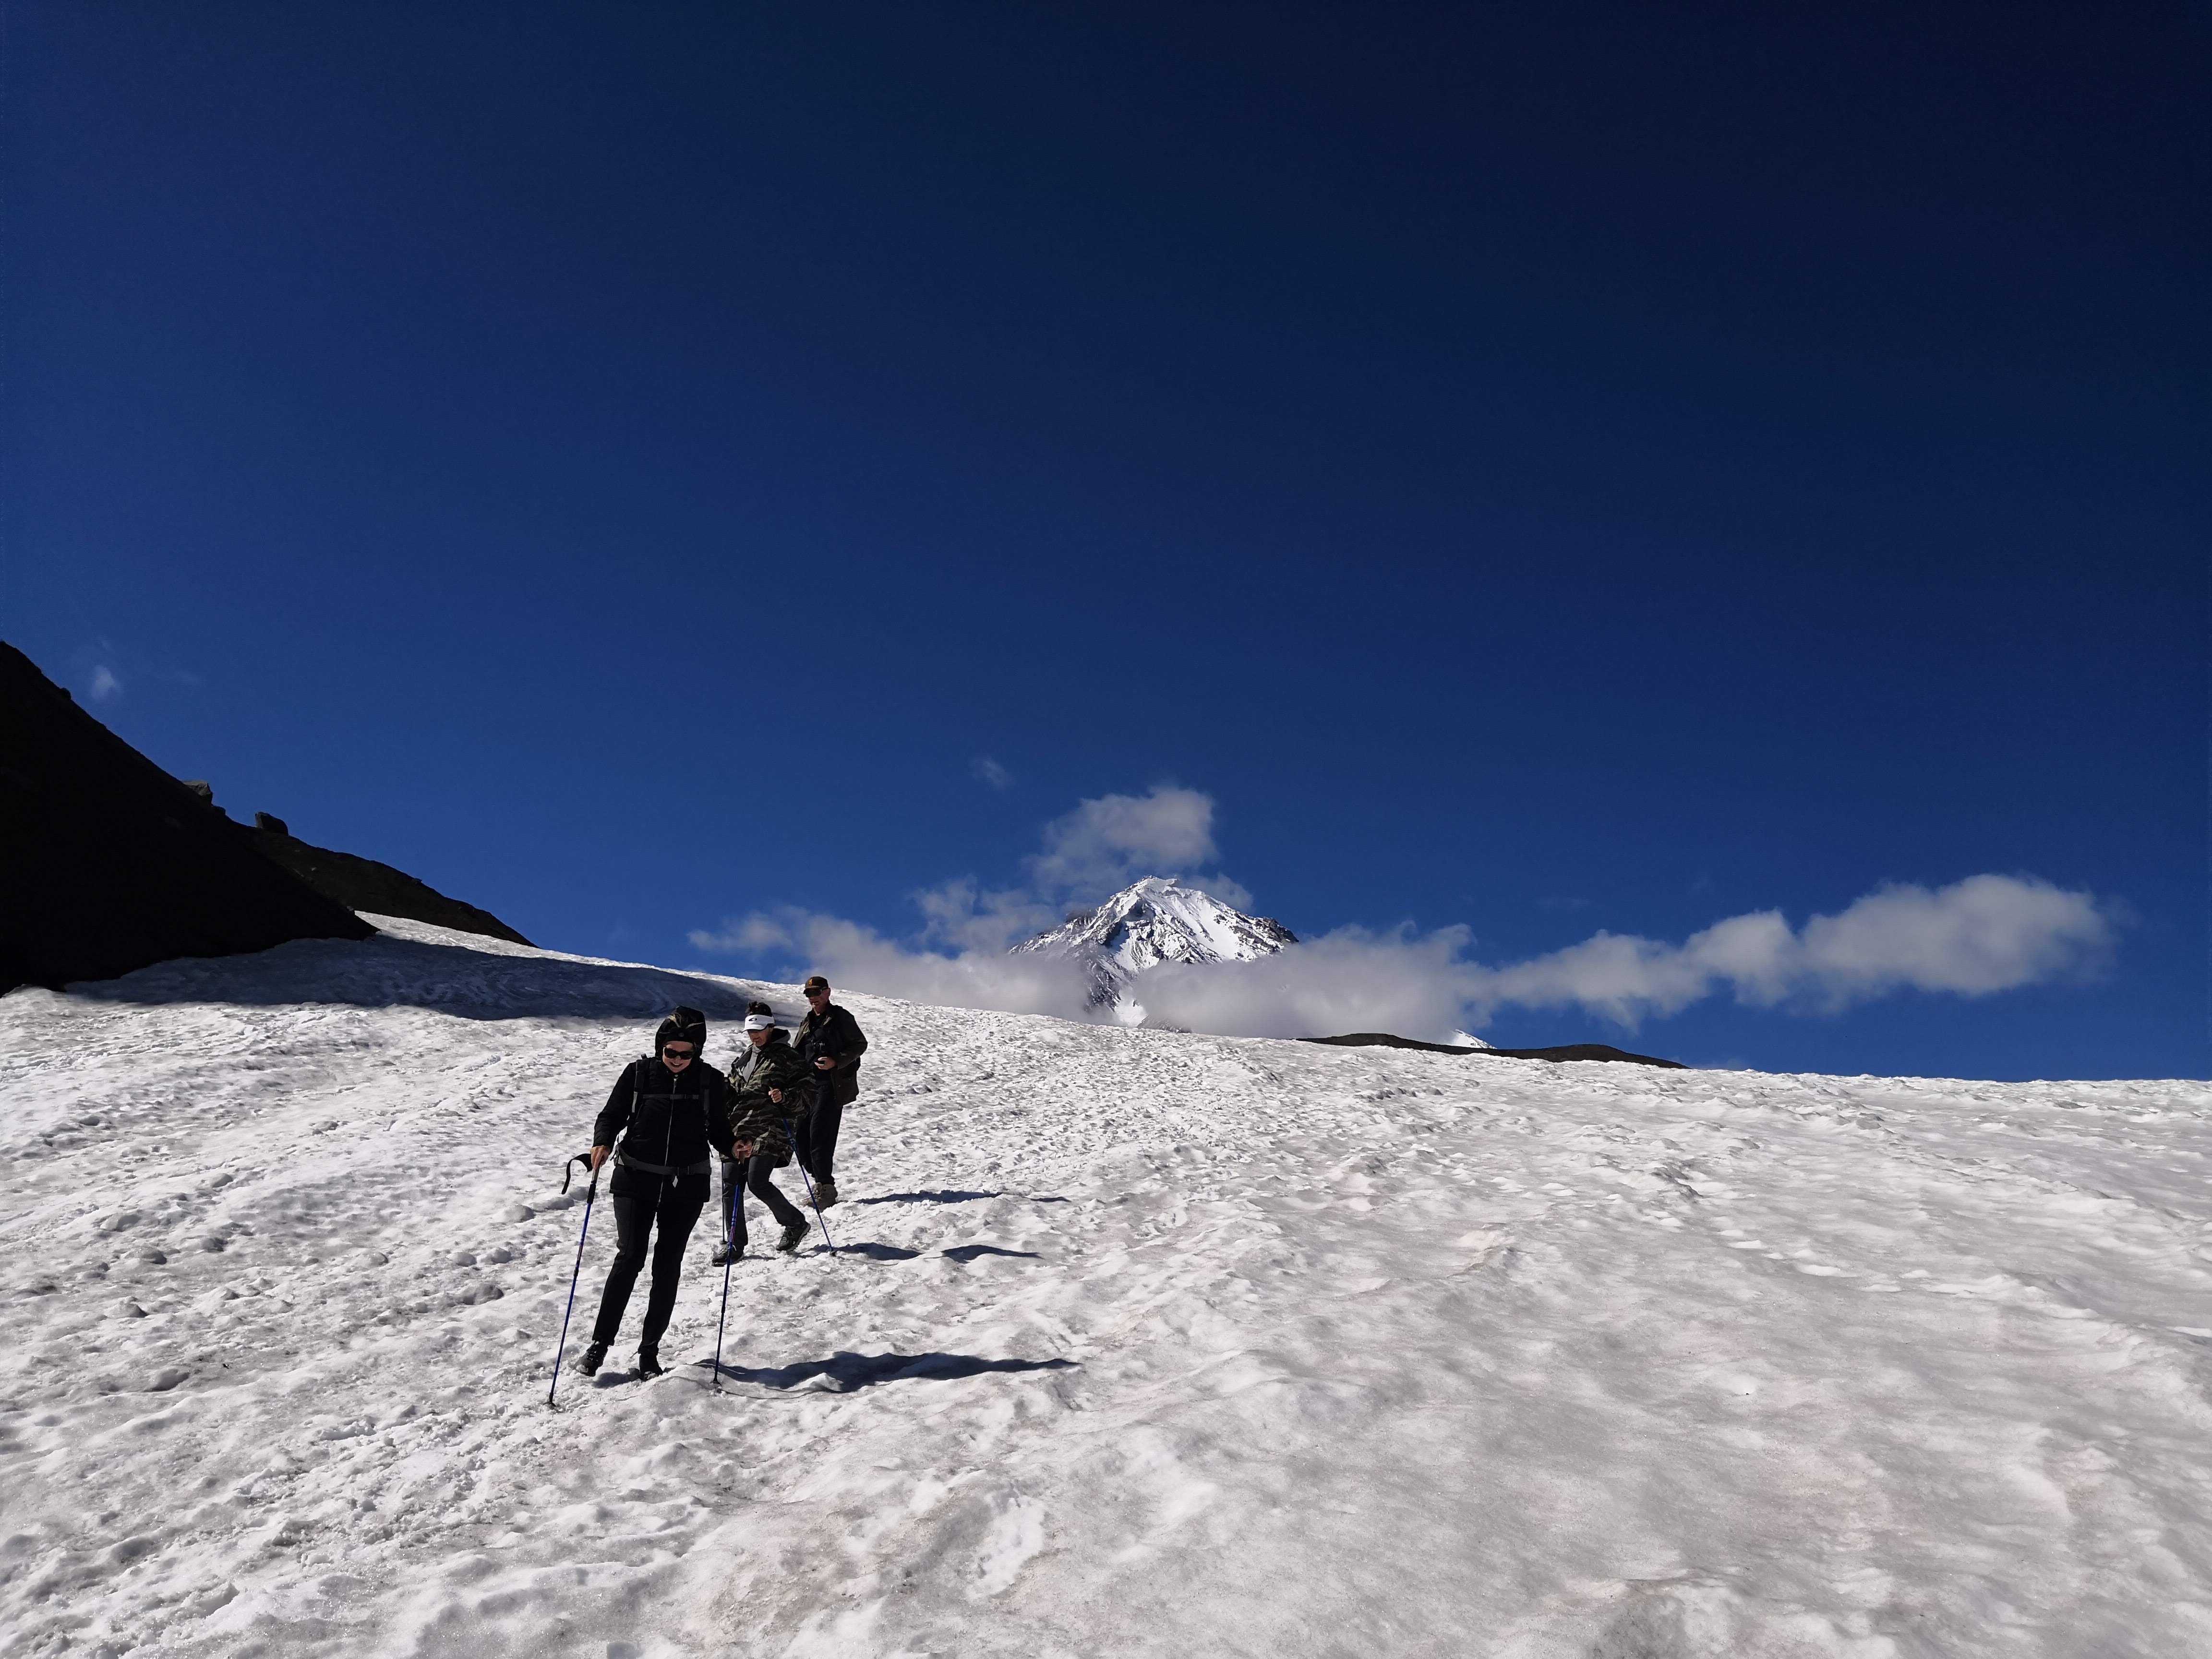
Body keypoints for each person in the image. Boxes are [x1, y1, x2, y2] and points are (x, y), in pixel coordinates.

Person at [580, 1007, 740, 1379]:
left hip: (686, 1186)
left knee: (667, 1266)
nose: (678, 1060)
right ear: (660, 1048)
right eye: (671, 1052)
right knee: (630, 1257)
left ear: (697, 1052)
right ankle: (600, 1344)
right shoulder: (638, 1075)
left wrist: (734, 1146)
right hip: (635, 1179)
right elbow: (612, 1115)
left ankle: (649, 1352)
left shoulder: (710, 1081)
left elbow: (719, 1129)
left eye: (686, 1054)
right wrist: (602, 1142)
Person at [715, 1006, 818, 1262]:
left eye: (759, 1030)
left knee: (757, 1180)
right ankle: (733, 1244)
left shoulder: (788, 1057)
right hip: (739, 1126)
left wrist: (786, 1097)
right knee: (731, 1183)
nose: (754, 1035)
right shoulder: (744, 1058)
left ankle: (794, 1223)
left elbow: (808, 1092)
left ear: (770, 1028)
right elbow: (732, 1093)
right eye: (750, 1031)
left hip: (772, 1126)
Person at [793, 974, 868, 1207]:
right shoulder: (808, 1021)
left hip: (831, 1086)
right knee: (800, 1138)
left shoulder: (841, 1017)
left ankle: (826, 1188)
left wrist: (836, 1061)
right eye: (809, 994)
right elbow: (797, 1051)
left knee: (820, 1137)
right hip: (807, 1087)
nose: (813, 998)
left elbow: (859, 1044)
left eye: (817, 993)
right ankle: (821, 1183)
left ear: (827, 992)